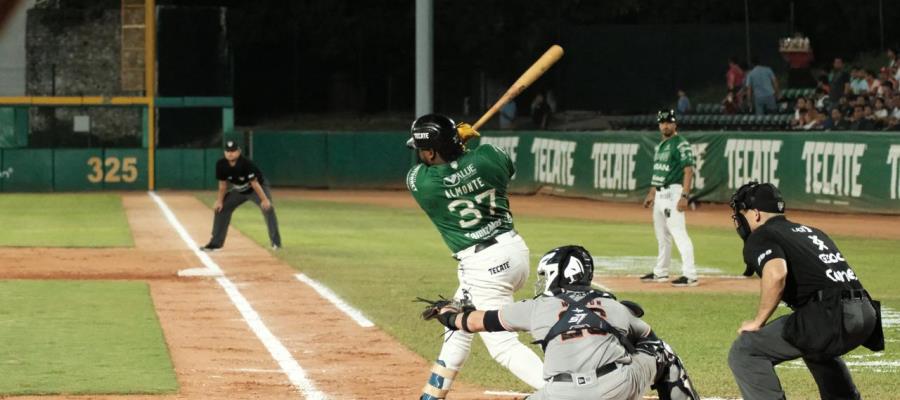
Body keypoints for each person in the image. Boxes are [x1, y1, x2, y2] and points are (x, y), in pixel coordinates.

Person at [424, 245, 701, 400]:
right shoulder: (613, 305)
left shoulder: (535, 308)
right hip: (616, 387)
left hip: (560, 394)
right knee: (663, 352)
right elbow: (651, 340)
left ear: (558, 274)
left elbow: (472, 322)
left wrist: (447, 313)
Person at [405, 114, 544, 399]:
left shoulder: (422, 183)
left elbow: (429, 167)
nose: (420, 155)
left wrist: (455, 146)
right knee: (457, 322)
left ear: (430, 151)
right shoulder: (488, 157)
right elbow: (504, 165)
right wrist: (461, 147)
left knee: (503, 346)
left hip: (484, 266)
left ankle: (564, 393)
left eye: (422, 149)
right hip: (513, 252)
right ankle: (432, 394)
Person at [727, 182, 883, 400]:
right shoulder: (811, 232)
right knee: (813, 343)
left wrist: (758, 321)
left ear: (756, 214)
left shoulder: (761, 235)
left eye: (742, 213)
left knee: (745, 350)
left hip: (832, 315)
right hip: (867, 314)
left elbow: (777, 274)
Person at [640, 110, 698, 287]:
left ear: (675, 124)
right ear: (659, 125)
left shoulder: (680, 144)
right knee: (662, 236)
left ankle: (690, 275)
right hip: (659, 194)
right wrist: (652, 193)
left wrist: (685, 195)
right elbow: (659, 171)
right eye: (662, 122)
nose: (665, 125)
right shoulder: (660, 146)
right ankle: (661, 272)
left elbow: (688, 170)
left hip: (673, 193)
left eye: (668, 122)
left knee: (679, 233)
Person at [200, 140, 282, 251]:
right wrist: (219, 201)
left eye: (233, 151)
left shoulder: (246, 164)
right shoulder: (221, 164)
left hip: (256, 188)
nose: (230, 153)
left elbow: (254, 183)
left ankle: (276, 243)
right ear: (224, 152)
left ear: (239, 152)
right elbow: (222, 185)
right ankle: (215, 244)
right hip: (239, 190)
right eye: (228, 151)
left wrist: (264, 200)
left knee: (268, 208)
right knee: (221, 208)